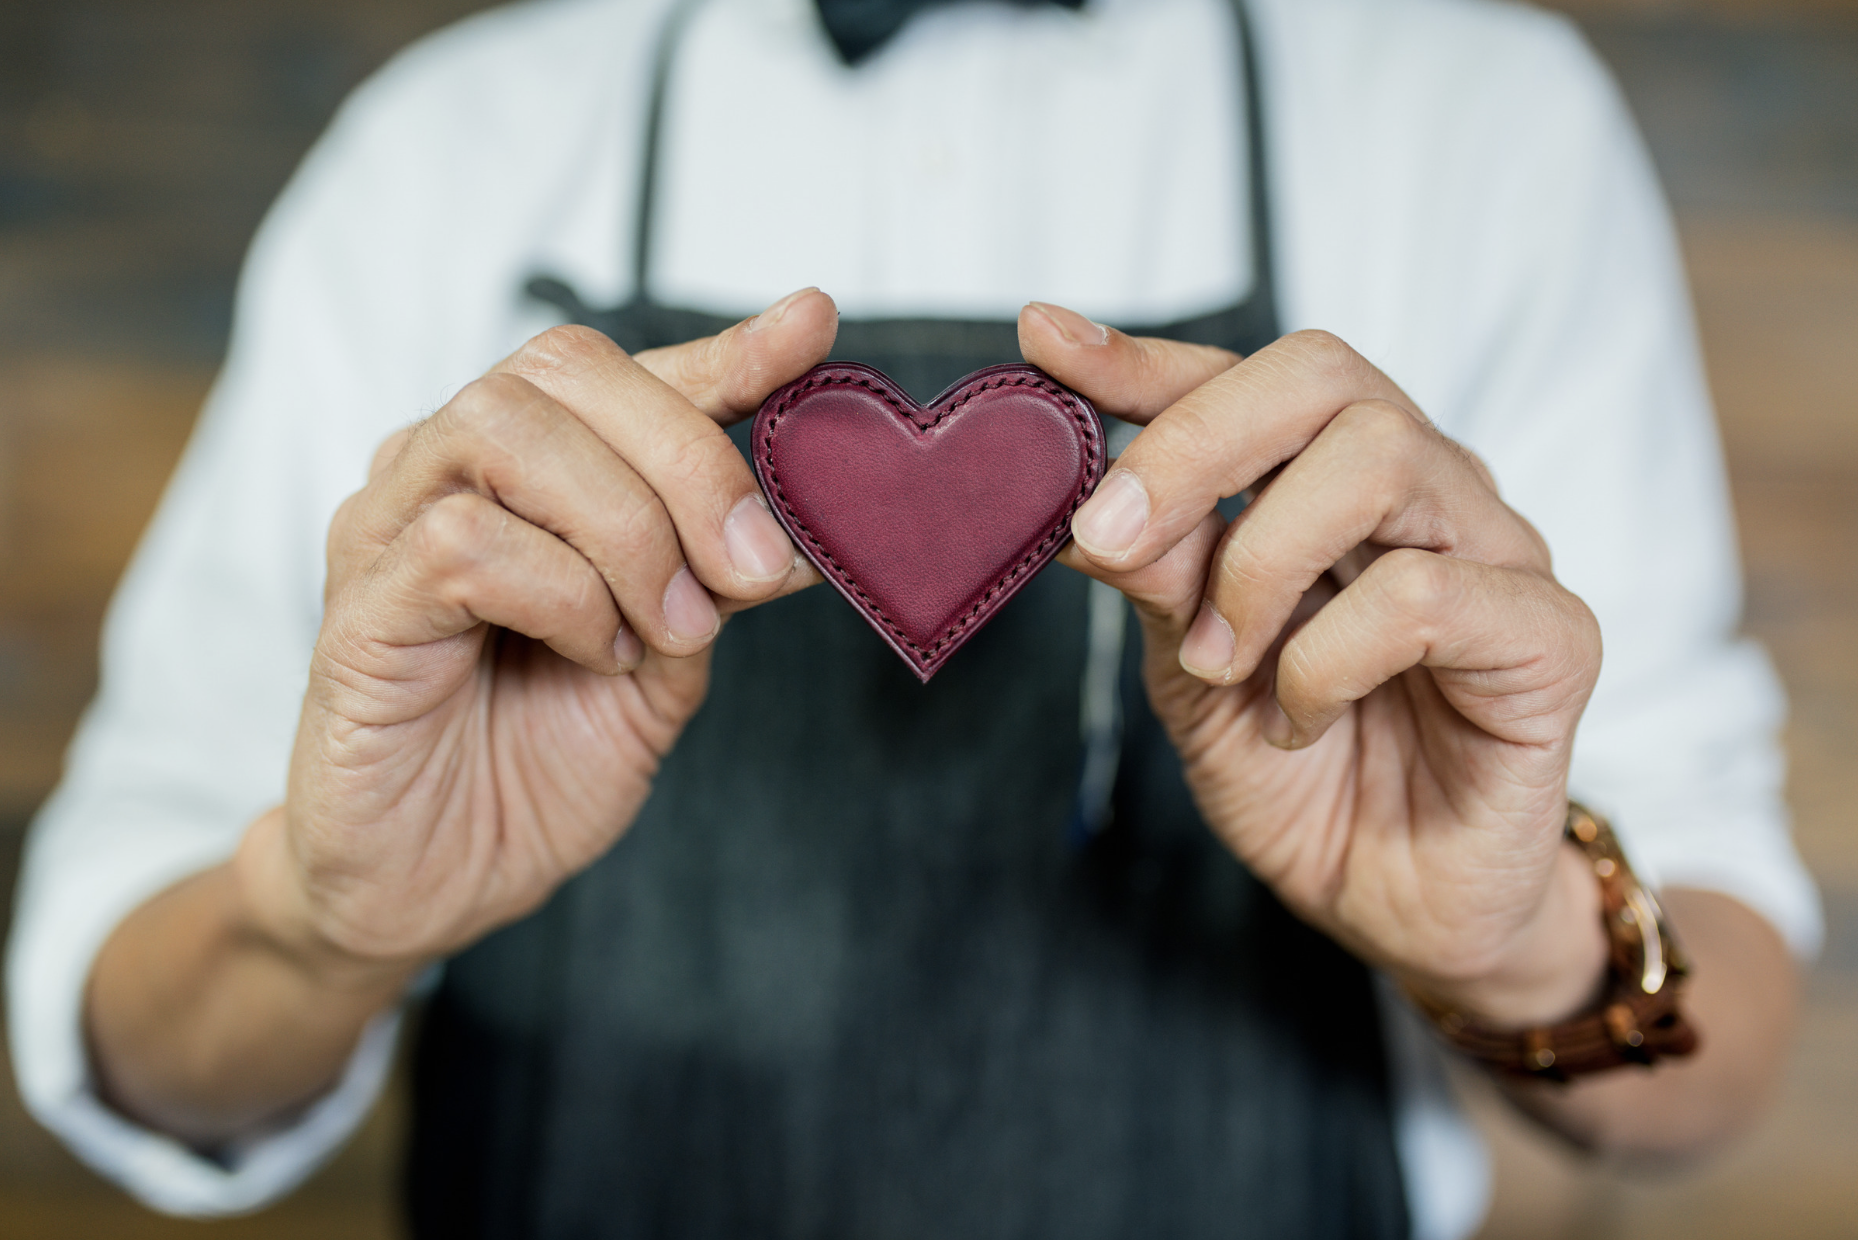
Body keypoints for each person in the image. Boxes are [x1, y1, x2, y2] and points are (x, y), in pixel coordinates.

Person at [5, 0, 1823, 1236]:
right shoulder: (450, 147)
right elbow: (122, 1027)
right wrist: (322, 928)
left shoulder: (1480, 123)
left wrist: (1506, 944)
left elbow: (1716, 1041)